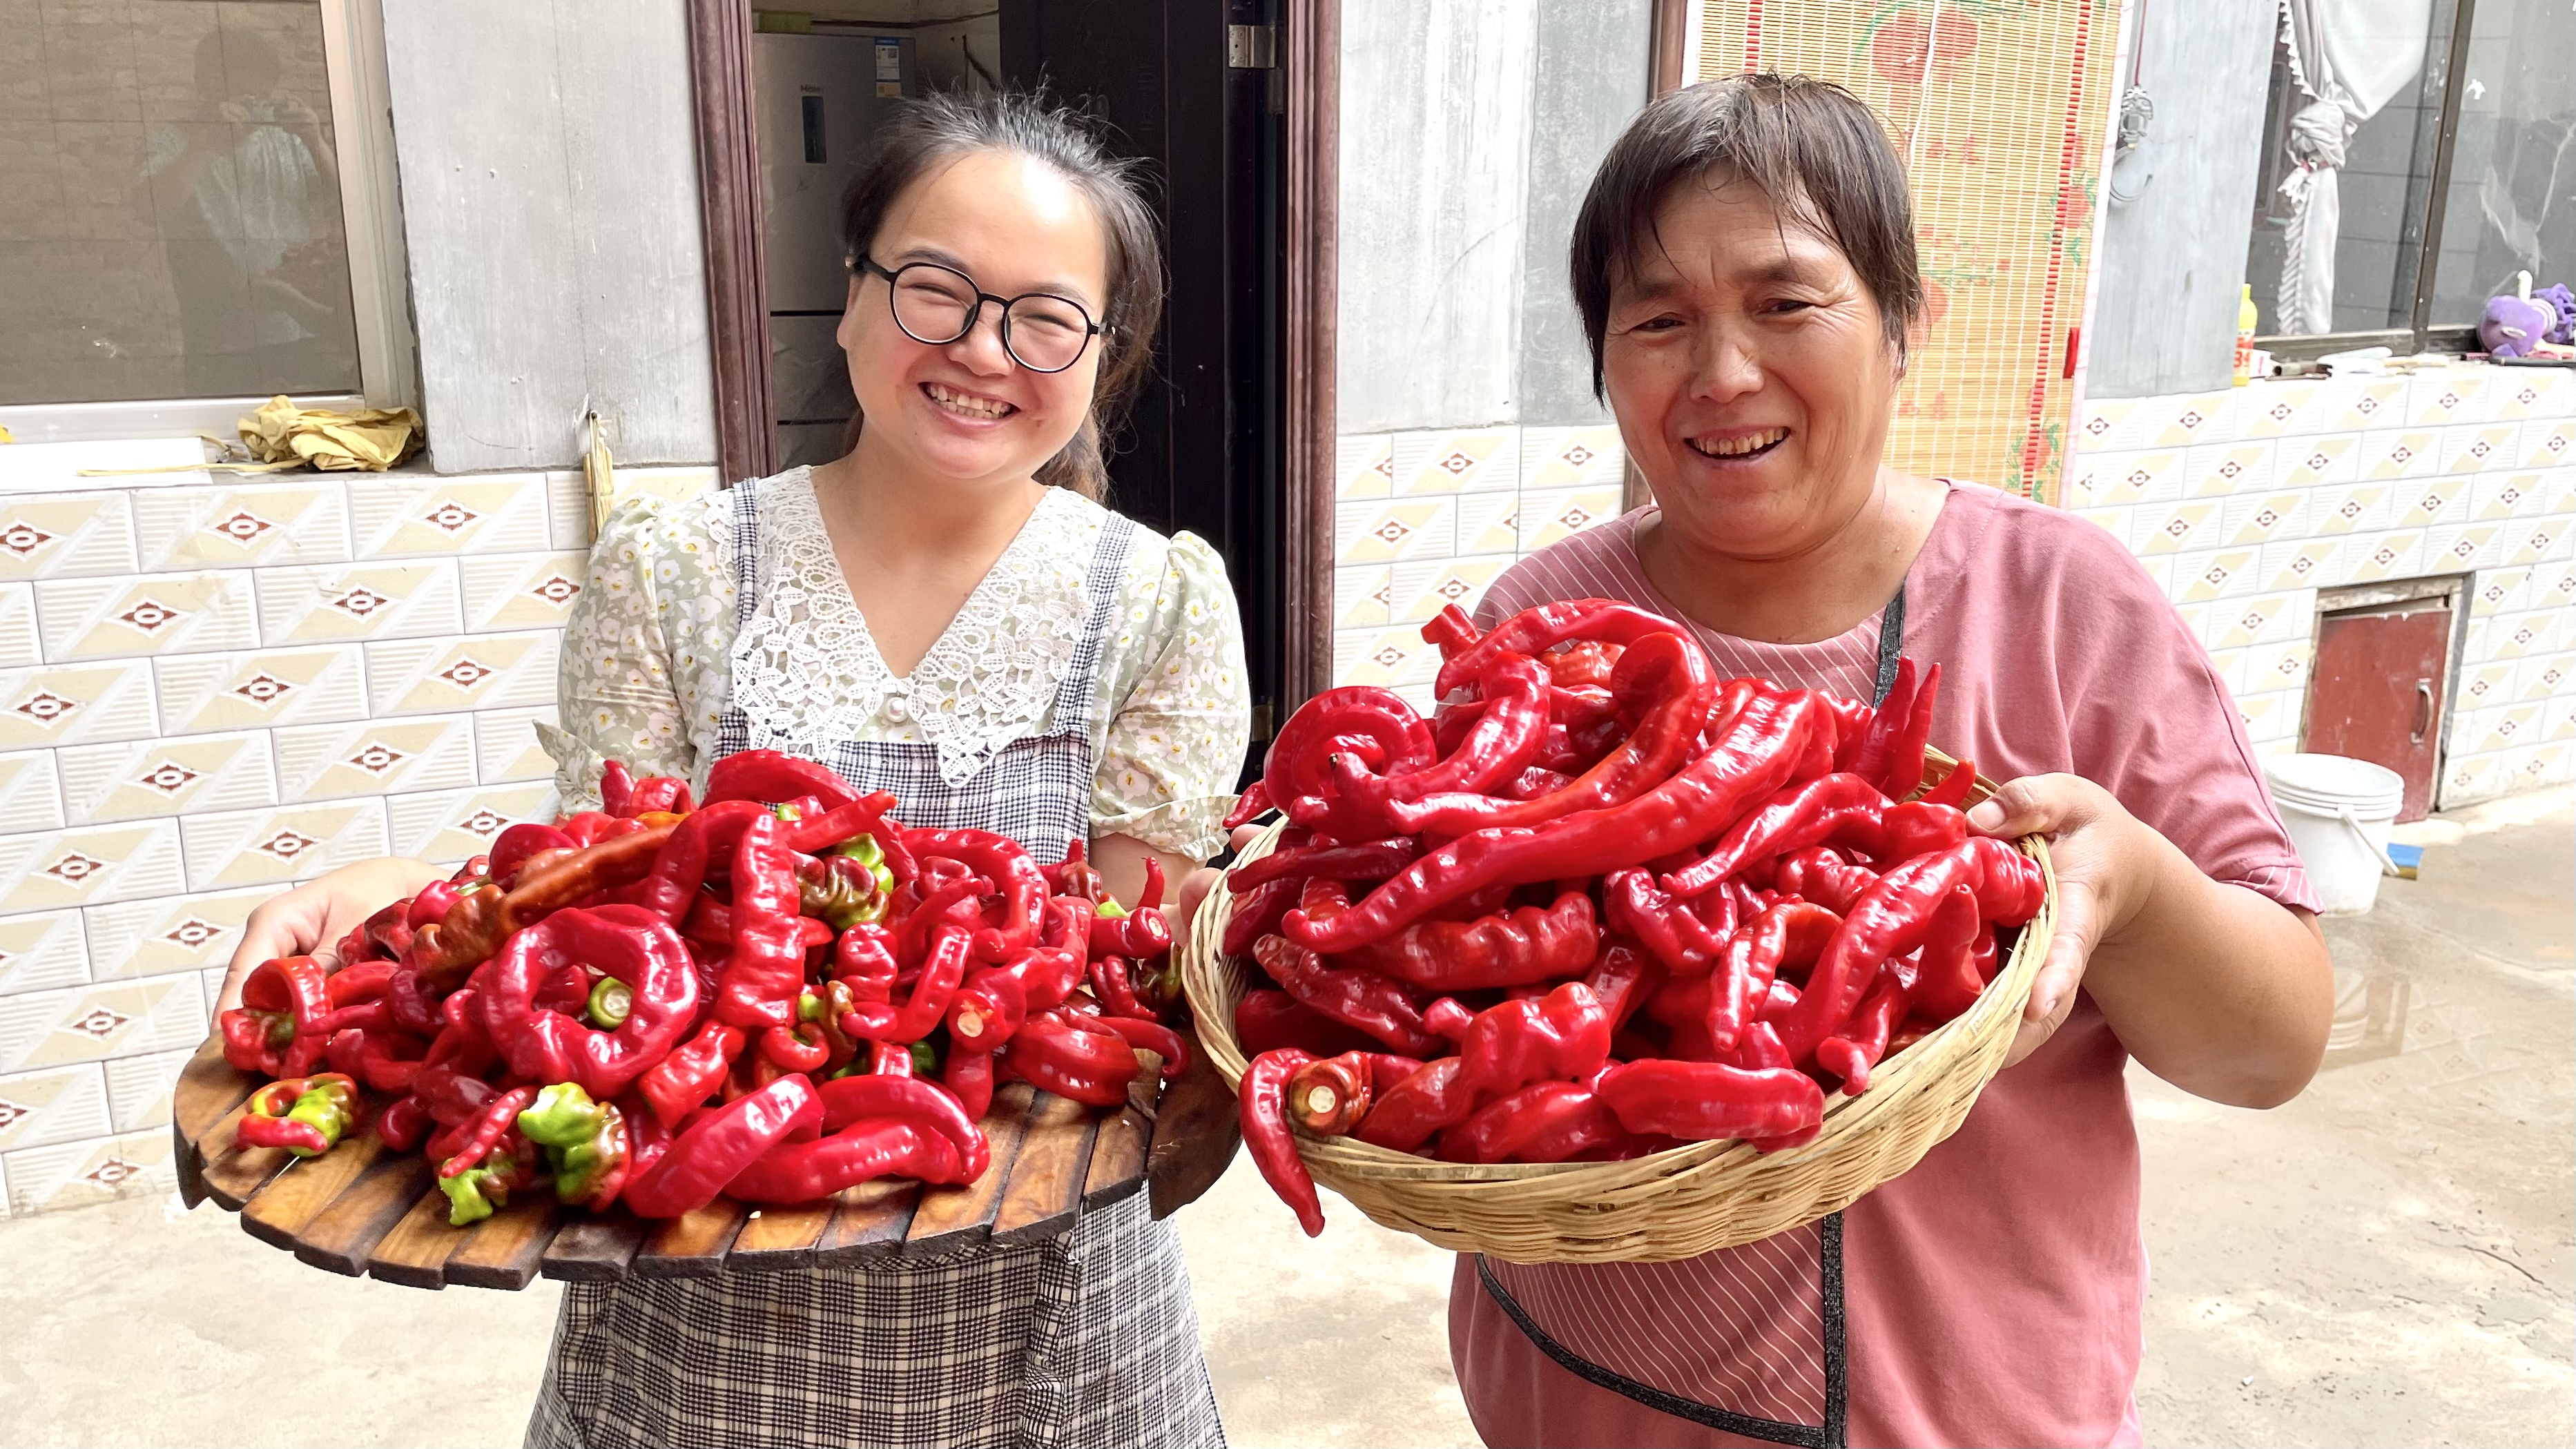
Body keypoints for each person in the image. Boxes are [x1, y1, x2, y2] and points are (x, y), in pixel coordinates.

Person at [222, 90, 1248, 1448]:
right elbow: (599, 894)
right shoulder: (674, 571)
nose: (981, 348)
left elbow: (1133, 962)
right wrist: (400, 900)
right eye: (934, 288)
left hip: (1050, 1318)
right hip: (696, 1296)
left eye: (1046, 317)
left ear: (1101, 355)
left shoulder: (1159, 603)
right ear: (852, 296)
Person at [1445, 75, 2334, 1448]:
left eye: (1787, 302)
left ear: (1905, 324)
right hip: (1579, 1401)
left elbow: (2272, 1047)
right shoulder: (1541, 627)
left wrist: (2138, 891)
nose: (1722, 373)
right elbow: (1455, 996)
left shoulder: (2063, 608)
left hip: (1960, 1411)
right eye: (1659, 319)